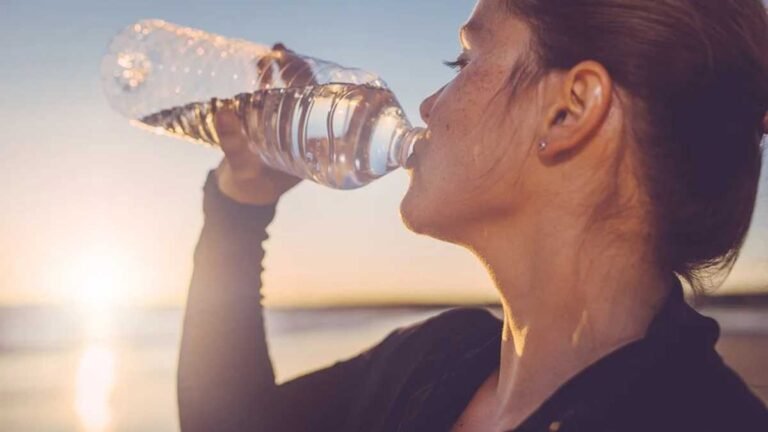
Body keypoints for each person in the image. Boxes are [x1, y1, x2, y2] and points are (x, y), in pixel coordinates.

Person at [177, 0, 768, 430]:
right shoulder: (438, 359)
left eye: (461, 61)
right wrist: (240, 206)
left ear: (569, 111)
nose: (428, 105)